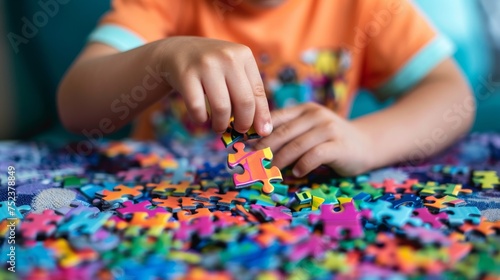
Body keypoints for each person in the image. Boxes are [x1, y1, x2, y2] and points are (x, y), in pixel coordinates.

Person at [57, 0, 474, 177]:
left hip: (301, 212)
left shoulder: (367, 6)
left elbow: (452, 94)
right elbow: (76, 107)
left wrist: (366, 140)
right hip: (161, 204)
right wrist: (161, 57)